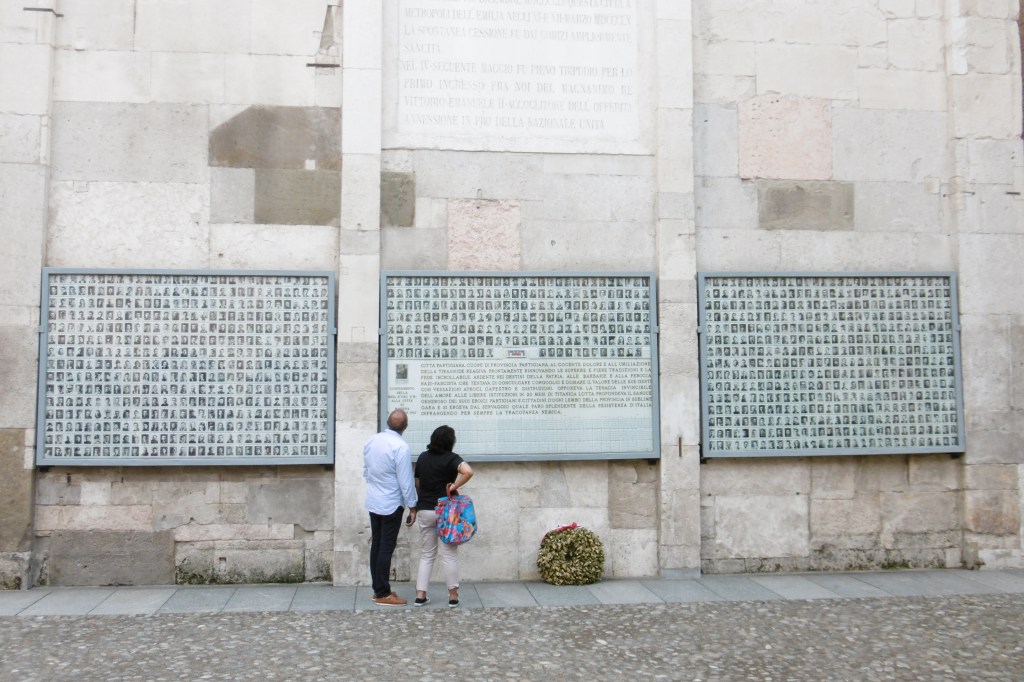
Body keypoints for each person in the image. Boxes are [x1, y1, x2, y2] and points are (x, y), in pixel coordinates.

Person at [413, 425, 474, 607]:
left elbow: (418, 484)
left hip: (425, 509)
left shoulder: (423, 457)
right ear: (451, 441)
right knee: (449, 554)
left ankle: (420, 595)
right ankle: (453, 597)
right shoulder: (452, 458)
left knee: (427, 554)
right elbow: (468, 471)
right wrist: (453, 487)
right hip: (446, 511)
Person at [363, 409, 418, 606]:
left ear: (387, 422)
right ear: (405, 427)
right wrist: (412, 506)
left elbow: (366, 471)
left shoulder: (371, 440)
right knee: (386, 547)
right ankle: (383, 593)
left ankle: (378, 588)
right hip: (392, 503)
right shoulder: (401, 447)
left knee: (377, 545)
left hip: (374, 500)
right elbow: (406, 481)